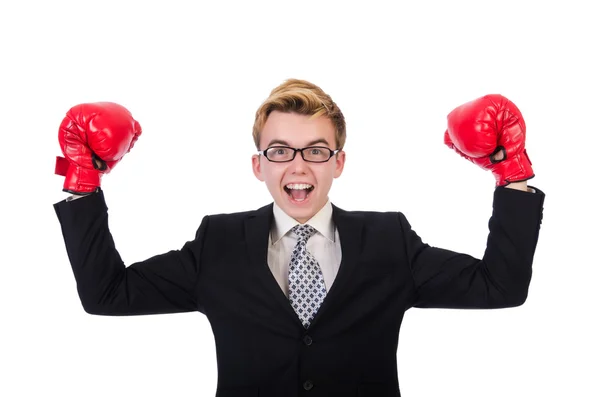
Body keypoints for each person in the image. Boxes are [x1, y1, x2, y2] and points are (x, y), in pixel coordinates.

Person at [54, 79, 545, 397]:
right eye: (280, 150)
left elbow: (499, 287)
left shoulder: (388, 239)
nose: (298, 165)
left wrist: (512, 174)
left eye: (315, 149)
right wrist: (82, 182)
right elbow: (107, 295)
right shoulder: (218, 242)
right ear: (259, 166)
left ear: (338, 163)